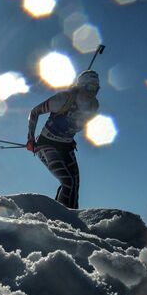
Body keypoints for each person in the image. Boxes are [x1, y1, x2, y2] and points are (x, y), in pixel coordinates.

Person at [26, 69, 100, 209]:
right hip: (47, 143)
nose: (93, 93)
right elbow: (34, 112)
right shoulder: (62, 99)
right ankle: (62, 220)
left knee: (75, 185)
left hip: (66, 147)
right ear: (81, 86)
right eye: (90, 87)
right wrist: (30, 139)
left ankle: (69, 219)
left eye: (96, 89)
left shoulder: (94, 106)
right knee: (68, 182)